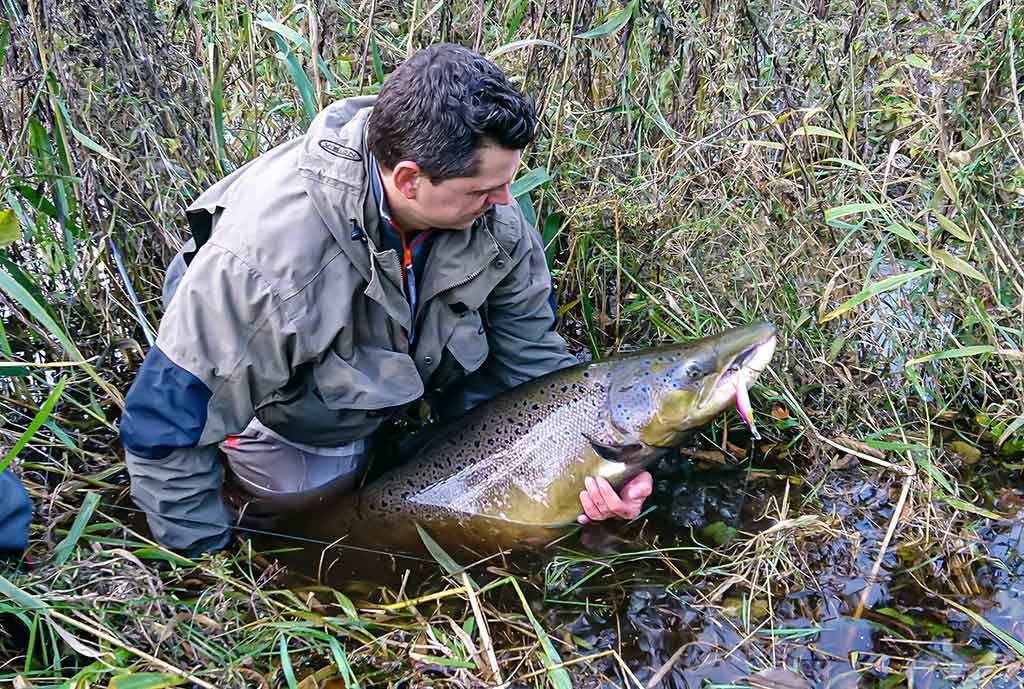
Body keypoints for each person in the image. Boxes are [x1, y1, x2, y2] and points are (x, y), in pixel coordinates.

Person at [119, 43, 653, 557]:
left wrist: (601, 463)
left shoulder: (497, 224)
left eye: (507, 183)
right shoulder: (264, 265)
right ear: (409, 179)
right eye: (482, 190)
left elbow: (533, 365)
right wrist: (207, 565)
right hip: (297, 411)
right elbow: (163, 430)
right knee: (305, 503)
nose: (505, 202)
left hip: (413, 384)